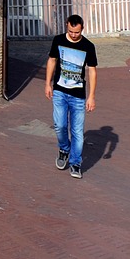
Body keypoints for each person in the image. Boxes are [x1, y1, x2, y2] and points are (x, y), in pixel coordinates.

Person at [45, 14, 97, 178]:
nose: (74, 35)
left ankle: (75, 163)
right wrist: (47, 83)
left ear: (82, 28)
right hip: (60, 91)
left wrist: (91, 96)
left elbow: (92, 71)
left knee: (77, 132)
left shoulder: (88, 46)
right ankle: (64, 149)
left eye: (77, 32)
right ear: (66, 26)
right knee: (60, 125)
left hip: (78, 96)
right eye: (71, 31)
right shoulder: (58, 40)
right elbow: (52, 60)